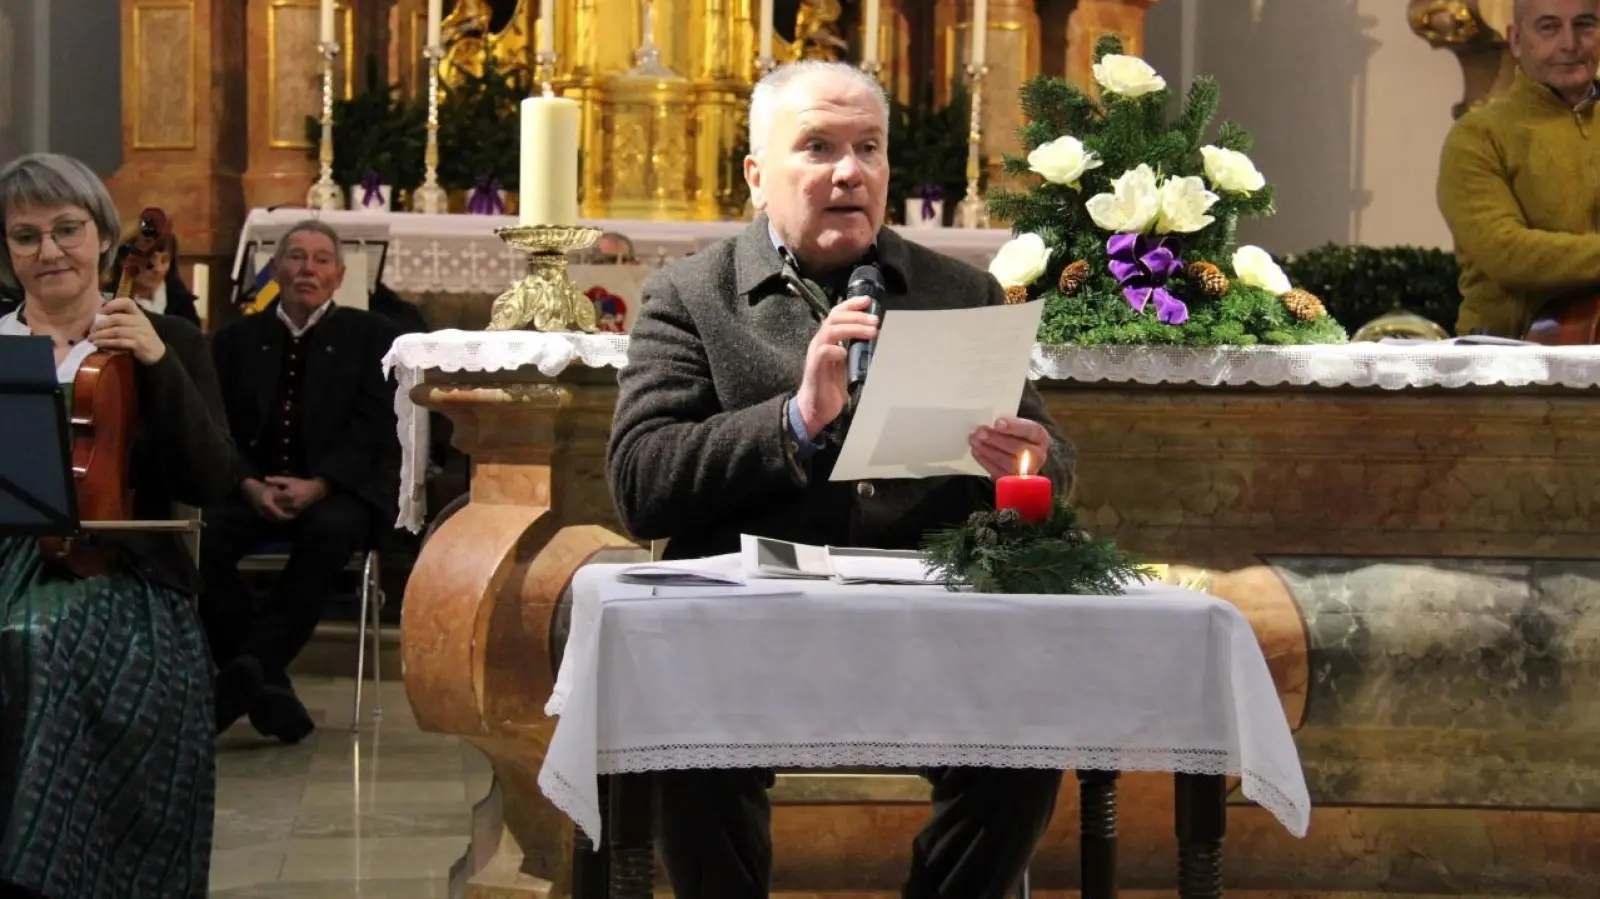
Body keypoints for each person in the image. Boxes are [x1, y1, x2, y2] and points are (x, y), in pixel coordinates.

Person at [606, 61, 1074, 899]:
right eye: (817, 147)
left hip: (928, 629)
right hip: (746, 636)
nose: (849, 171)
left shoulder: (957, 291)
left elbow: (1052, 468)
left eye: (868, 149)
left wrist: (1030, 459)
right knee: (691, 743)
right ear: (757, 174)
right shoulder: (689, 296)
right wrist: (795, 420)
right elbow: (641, 482)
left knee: (1025, 744)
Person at [0, 153, 234, 898]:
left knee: (36, 642)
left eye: (66, 229)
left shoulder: (169, 340)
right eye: (25, 236)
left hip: (126, 575)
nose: (48, 252)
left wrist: (160, 364)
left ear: (103, 236)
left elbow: (214, 481)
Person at [201, 219, 401, 744]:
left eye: (319, 260)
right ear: (275, 269)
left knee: (331, 532)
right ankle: (265, 684)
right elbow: (216, 425)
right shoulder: (236, 339)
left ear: (337, 276)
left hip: (338, 492)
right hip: (253, 487)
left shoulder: (371, 336)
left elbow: (376, 427)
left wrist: (321, 484)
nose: (305, 269)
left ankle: (250, 667)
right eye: (294, 257)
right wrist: (249, 485)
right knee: (197, 542)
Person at [1437, 0, 1600, 337]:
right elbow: (1507, 253)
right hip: (1506, 361)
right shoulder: (1477, 136)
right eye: (1549, 27)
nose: (1570, 43)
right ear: (1516, 40)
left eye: (1585, 25)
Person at [118, 226, 202, 327]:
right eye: (150, 260)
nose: (158, 269)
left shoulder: (183, 306)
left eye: (164, 260)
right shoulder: (108, 298)